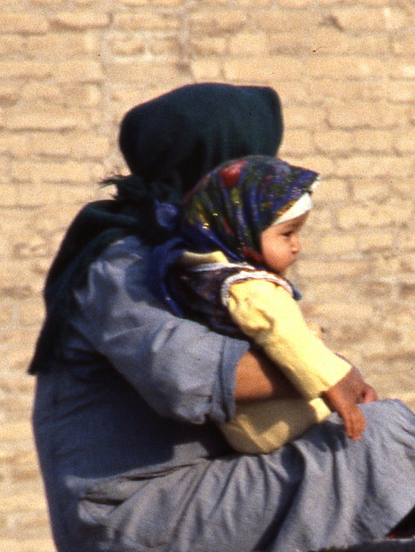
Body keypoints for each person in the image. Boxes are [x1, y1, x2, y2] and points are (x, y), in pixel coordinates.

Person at [28, 83, 415, 552]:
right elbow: (184, 378)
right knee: (389, 437)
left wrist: (322, 372)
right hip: (135, 519)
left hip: (192, 498)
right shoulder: (125, 264)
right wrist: (327, 372)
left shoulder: (198, 257)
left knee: (385, 437)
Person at [148, 154, 368, 454]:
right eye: (287, 233)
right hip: (279, 421)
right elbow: (288, 339)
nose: (297, 245)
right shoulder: (253, 290)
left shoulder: (202, 273)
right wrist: (338, 387)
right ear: (244, 230)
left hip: (245, 427)